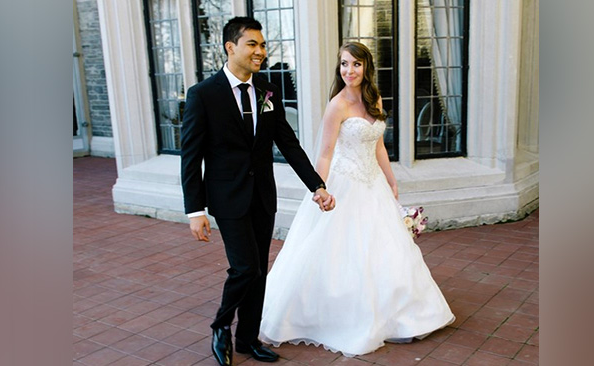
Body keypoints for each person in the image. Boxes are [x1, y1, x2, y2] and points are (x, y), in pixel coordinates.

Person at [258, 41, 455, 357]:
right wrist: (319, 188)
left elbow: (377, 146)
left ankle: (401, 314)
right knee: (341, 251)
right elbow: (325, 151)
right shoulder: (336, 105)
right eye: (344, 64)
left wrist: (391, 182)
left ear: (366, 68)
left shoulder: (373, 98)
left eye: (356, 64)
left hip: (372, 183)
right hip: (344, 184)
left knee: (386, 249)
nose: (349, 70)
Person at [180, 17, 335, 366]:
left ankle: (247, 340)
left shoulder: (267, 91)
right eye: (252, 44)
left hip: (263, 196)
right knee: (245, 268)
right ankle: (221, 326)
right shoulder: (203, 95)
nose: (261, 52)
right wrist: (195, 211)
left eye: (263, 45)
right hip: (227, 198)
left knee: (259, 272)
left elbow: (288, 144)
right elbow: (191, 158)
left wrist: (317, 185)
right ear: (230, 47)